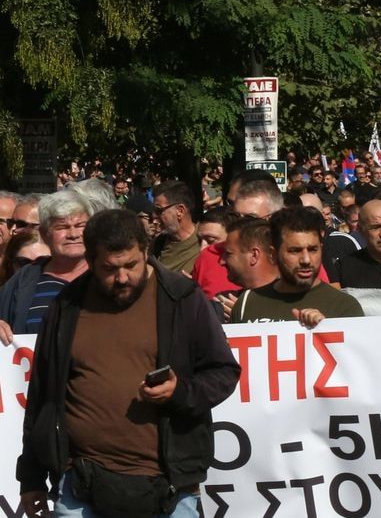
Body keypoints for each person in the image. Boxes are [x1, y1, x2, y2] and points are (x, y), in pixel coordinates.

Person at [16, 209, 240, 518]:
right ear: (91, 261)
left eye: (131, 265)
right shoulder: (66, 305)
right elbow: (43, 394)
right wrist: (31, 477)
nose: (122, 277)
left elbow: (224, 372)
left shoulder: (182, 298)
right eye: (109, 268)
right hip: (79, 485)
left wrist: (180, 392)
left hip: (169, 487)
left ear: (146, 252)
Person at [228, 207, 364, 324]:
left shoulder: (345, 307)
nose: (306, 260)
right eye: (294, 251)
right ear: (273, 254)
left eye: (313, 249)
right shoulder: (247, 304)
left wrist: (327, 332)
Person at [0, 191, 93, 344]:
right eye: (62, 227)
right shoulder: (24, 280)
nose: (73, 234)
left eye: (80, 225)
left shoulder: (106, 276)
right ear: (44, 233)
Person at [215, 217, 279, 323]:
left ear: (254, 255)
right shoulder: (222, 305)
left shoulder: (299, 302)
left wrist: (251, 317)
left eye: (228, 253)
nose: (222, 261)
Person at [150, 181, 202, 275]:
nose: (154, 216)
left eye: (158, 210)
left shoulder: (205, 242)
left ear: (180, 211)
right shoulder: (157, 244)